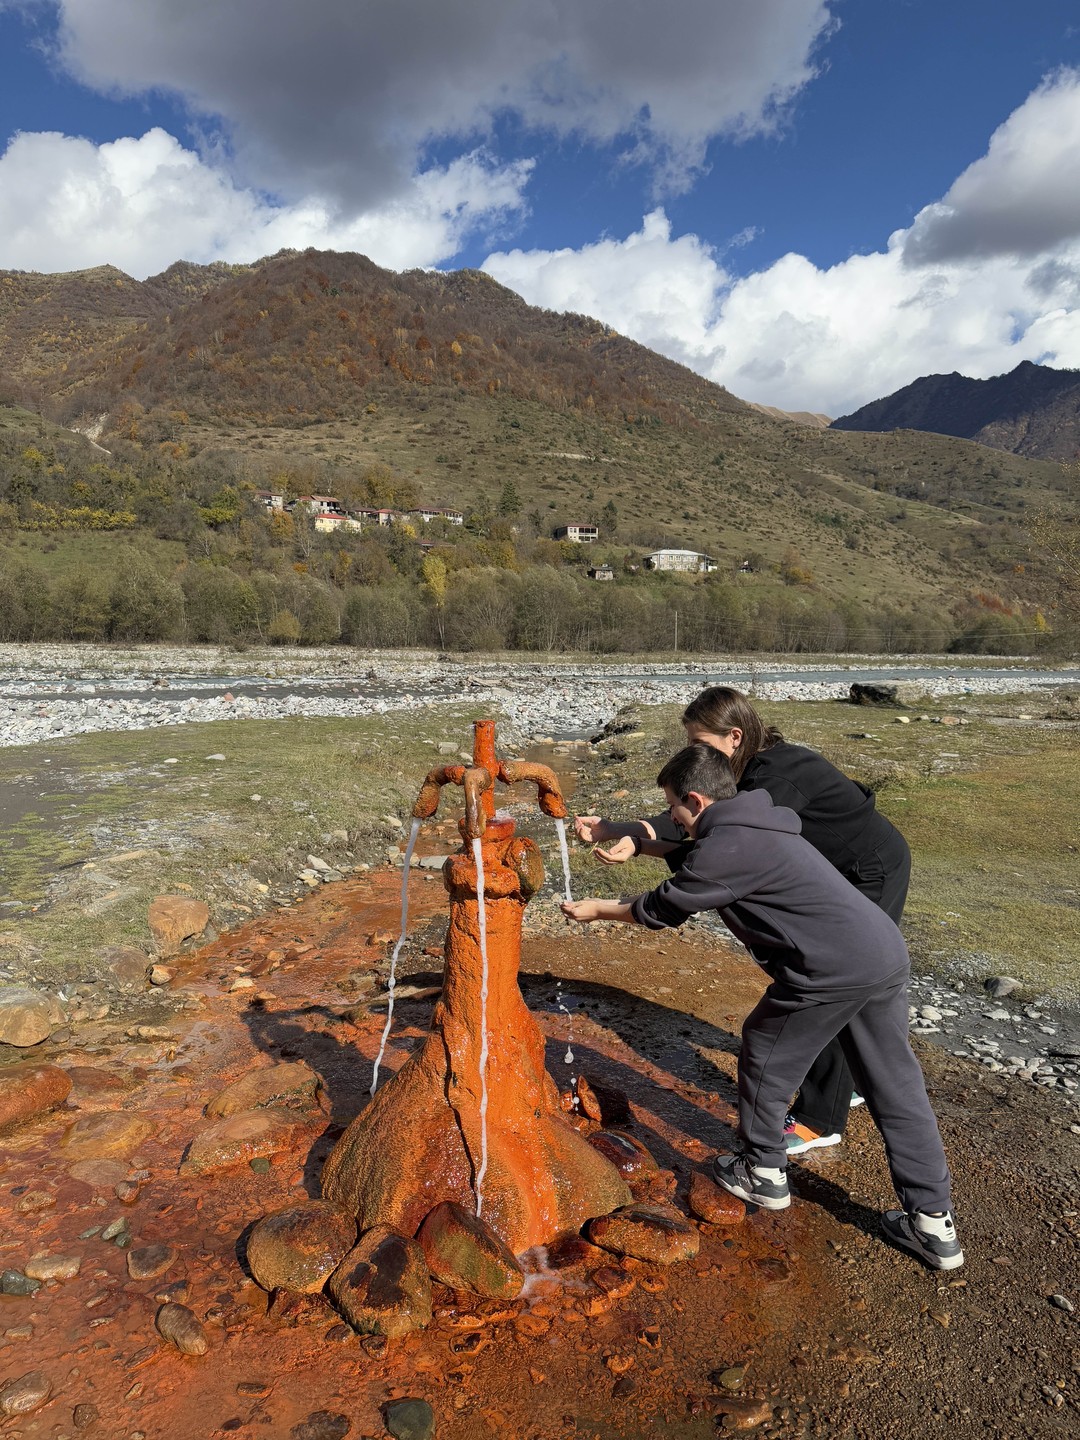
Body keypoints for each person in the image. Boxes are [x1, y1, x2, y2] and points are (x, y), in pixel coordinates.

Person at [563, 743, 963, 1271]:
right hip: (882, 952)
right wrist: (633, 837)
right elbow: (694, 857)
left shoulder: (727, 848)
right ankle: (933, 1222)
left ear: (697, 800)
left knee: (765, 1050)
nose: (672, 817)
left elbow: (663, 907)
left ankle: (762, 1171)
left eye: (674, 807)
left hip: (831, 970)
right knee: (895, 1085)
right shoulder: (759, 820)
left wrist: (597, 909)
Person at [575, 685, 910, 1157]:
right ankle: (848, 1078)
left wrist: (629, 862)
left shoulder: (777, 775)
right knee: (838, 982)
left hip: (867, 868)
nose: (694, 751)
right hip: (829, 870)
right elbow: (696, 818)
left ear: (734, 736)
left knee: (839, 978)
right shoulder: (737, 772)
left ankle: (820, 1118)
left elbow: (719, 849)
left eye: (699, 742)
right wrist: (623, 830)